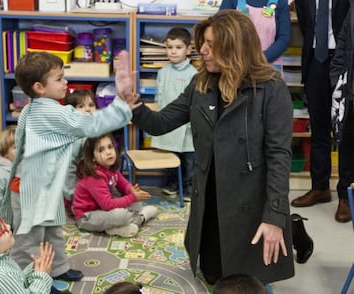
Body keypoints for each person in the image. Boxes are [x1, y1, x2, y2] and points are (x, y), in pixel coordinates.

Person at [121, 10, 295, 284]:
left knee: (245, 281)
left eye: (210, 44)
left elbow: (279, 157)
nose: (201, 50)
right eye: (202, 42)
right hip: (210, 199)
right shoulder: (200, 83)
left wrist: (275, 217)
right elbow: (160, 122)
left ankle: (295, 228)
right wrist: (132, 103)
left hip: (250, 203)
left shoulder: (272, 89)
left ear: (234, 46)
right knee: (214, 275)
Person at [7, 51, 134, 294]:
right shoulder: (52, 112)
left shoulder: (35, 108)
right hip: (29, 187)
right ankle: (30, 282)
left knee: (53, 229)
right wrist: (120, 100)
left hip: (45, 184)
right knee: (29, 241)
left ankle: (57, 267)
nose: (66, 83)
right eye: (59, 78)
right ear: (39, 87)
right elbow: (92, 124)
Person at [291, 0, 351, 223]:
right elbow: (306, 25)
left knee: (345, 130)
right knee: (319, 128)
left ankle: (345, 195)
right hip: (315, 60)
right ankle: (320, 188)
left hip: (344, 60)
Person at [72, 133, 158, 238]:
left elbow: (122, 183)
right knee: (121, 215)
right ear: (92, 157)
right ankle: (141, 218)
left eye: (110, 147)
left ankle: (115, 228)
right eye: (101, 150)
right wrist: (131, 197)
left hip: (102, 210)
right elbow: (107, 204)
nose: (108, 152)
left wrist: (130, 190)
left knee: (136, 203)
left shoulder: (109, 167)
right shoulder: (95, 176)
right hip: (87, 217)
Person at [150, 27, 197, 199]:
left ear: (188, 49)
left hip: (187, 127)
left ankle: (189, 187)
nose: (173, 51)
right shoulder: (162, 72)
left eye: (178, 47)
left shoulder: (194, 74)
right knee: (170, 156)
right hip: (168, 124)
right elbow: (159, 97)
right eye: (169, 47)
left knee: (190, 159)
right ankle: (172, 183)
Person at [329, 3, 354, 224]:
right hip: (350, 94)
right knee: (346, 148)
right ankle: (345, 198)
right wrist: (337, 79)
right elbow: (341, 51)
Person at [219, 0, 291, 68]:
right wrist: (240, 58)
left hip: (269, 67)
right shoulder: (231, 1)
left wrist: (261, 58)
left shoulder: (280, 2)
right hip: (237, 65)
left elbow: (284, 38)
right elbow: (221, 32)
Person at [63, 88, 98, 214]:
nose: (88, 109)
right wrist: (72, 195)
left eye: (91, 105)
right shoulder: (74, 137)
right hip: (75, 191)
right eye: (81, 106)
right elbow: (68, 169)